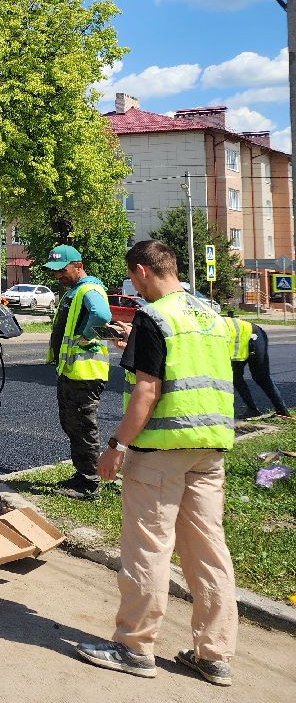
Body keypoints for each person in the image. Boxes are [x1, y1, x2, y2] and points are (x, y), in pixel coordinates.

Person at [75, 240, 237, 686]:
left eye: (131, 277)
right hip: (210, 447)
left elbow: (147, 393)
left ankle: (134, 647)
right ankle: (214, 655)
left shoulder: (153, 316)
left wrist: (116, 445)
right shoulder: (209, 314)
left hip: (161, 451)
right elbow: (195, 367)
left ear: (143, 271)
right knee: (209, 553)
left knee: (148, 549)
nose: (132, 286)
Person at [43, 244, 113, 500]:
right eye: (55, 272)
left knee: (83, 426)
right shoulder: (75, 291)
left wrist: (85, 337)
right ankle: (82, 473)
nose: (58, 275)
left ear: (78, 265)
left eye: (62, 270)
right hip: (72, 372)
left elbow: (101, 314)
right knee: (72, 425)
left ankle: (90, 483)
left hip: (85, 373)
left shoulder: (89, 289)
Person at [229, 316, 290, 418]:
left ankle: (282, 411)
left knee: (261, 377)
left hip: (254, 336)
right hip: (238, 346)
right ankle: (252, 410)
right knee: (235, 377)